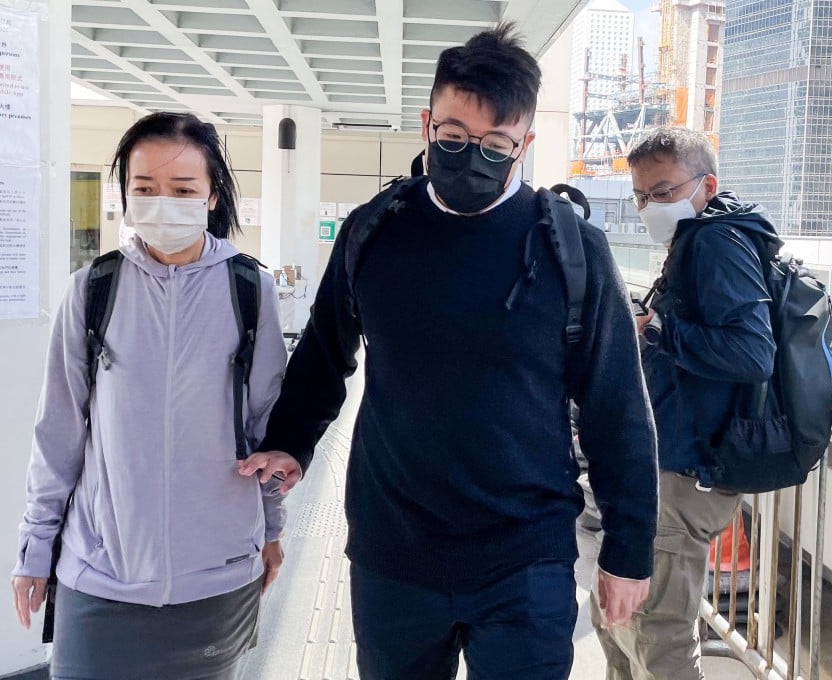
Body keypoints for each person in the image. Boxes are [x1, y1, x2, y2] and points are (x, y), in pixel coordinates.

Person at [240, 24, 659, 680]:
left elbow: (616, 407)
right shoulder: (375, 231)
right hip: (394, 554)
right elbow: (326, 351)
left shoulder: (569, 249)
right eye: (454, 139)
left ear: (526, 144)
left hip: (527, 555)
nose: (472, 159)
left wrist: (628, 550)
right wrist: (291, 443)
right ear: (426, 123)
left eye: (496, 146)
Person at [11, 112, 288, 680]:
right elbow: (59, 432)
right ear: (126, 196)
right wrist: (35, 549)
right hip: (100, 576)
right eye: (145, 188)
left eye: (183, 190)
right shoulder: (93, 290)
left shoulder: (249, 289)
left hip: (218, 578)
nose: (164, 202)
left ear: (212, 196)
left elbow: (266, 426)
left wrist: (273, 529)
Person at [591, 126, 778, 679]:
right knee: (620, 621)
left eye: (665, 191)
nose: (651, 206)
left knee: (657, 632)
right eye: (642, 196)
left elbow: (752, 351)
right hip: (668, 464)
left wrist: (657, 330)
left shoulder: (717, 242)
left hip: (685, 471)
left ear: (707, 184)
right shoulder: (700, 241)